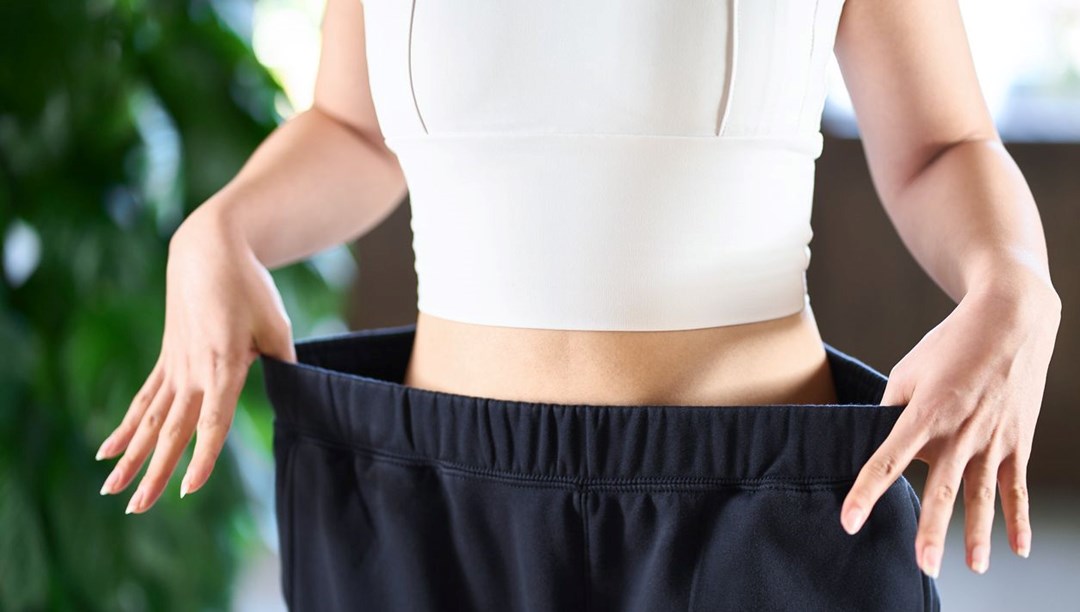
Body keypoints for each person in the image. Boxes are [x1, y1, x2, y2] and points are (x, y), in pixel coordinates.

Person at [95, 0, 1061, 610]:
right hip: (432, 524)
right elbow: (353, 127)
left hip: (746, 519)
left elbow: (941, 145)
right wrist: (219, 228)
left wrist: (1015, 276)